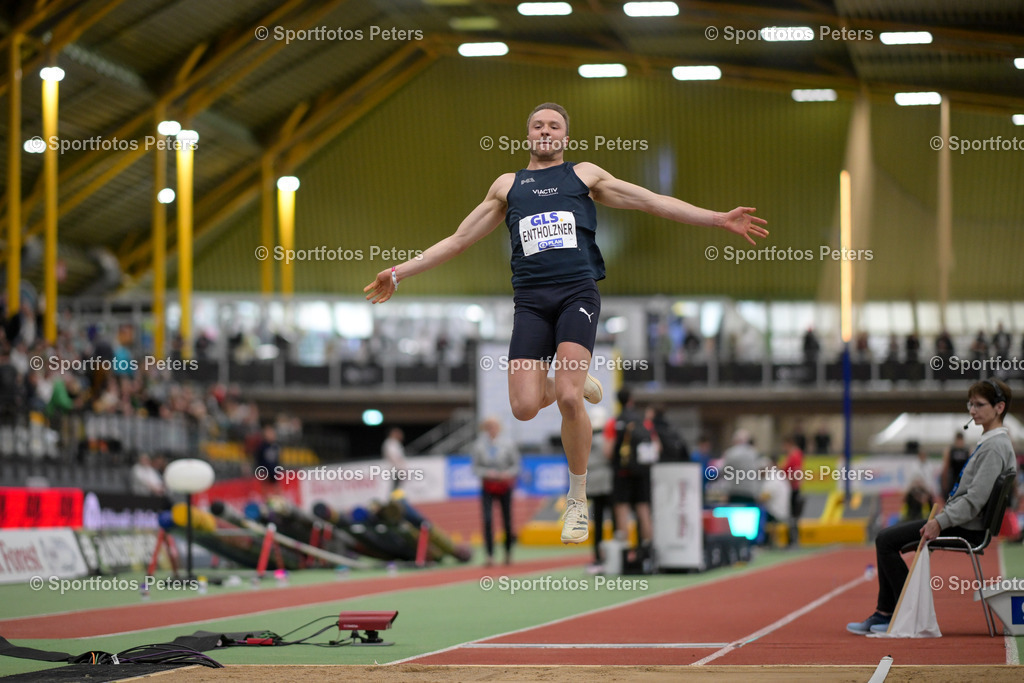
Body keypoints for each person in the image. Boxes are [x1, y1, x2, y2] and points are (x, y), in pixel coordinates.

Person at [365, 103, 768, 543]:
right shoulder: (507, 186)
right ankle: (570, 381)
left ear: (565, 139)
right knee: (521, 406)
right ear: (528, 137)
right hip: (531, 303)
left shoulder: (584, 176)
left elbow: (651, 201)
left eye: (553, 126)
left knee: (571, 400)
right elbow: (459, 240)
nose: (545, 131)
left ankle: (577, 498)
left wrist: (715, 218)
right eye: (537, 125)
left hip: (577, 292)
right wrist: (398, 272)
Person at [847, 378, 1017, 634]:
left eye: (979, 405)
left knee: (885, 541)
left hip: (966, 527)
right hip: (964, 523)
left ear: (999, 408)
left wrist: (940, 522)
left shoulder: (994, 447)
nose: (972, 411)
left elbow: (973, 501)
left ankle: (896, 614)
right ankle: (888, 613)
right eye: (970, 404)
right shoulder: (992, 443)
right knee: (887, 539)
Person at [470, 416, 521, 565]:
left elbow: (516, 466)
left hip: (505, 486)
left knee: (507, 520)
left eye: (494, 426)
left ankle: (508, 552)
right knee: (487, 519)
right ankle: (490, 555)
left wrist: (507, 474)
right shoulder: (478, 445)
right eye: (488, 427)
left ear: (499, 428)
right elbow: (475, 468)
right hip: (488, 487)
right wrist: (488, 473)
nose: (491, 429)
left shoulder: (508, 444)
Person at [586, 406, 614, 570]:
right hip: (607, 480)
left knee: (597, 522)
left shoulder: (585, 436)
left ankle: (598, 555)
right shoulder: (606, 436)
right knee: (614, 519)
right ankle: (616, 555)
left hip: (593, 481)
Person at [721, 429, 761, 505]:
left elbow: (723, 470)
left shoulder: (730, 453)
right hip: (750, 492)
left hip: (734, 492)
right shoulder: (754, 453)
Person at [780, 435, 804, 546]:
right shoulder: (792, 455)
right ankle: (792, 539)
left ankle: (793, 540)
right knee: (792, 516)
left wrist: (792, 481)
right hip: (791, 487)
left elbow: (796, 471)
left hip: (793, 488)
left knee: (793, 515)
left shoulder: (795, 455)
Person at [940, 432, 971, 499]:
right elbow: (945, 468)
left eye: (961, 440)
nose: (959, 442)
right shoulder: (950, 450)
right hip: (953, 480)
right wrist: (944, 483)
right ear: (956, 440)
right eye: (958, 440)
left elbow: (971, 467)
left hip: (963, 480)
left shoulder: (968, 450)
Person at [381, 427, 408, 492]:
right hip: (395, 468)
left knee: (397, 486)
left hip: (397, 468)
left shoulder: (395, 443)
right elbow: (393, 456)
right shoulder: (390, 443)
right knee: (395, 486)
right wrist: (400, 467)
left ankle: (395, 499)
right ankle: (394, 500)